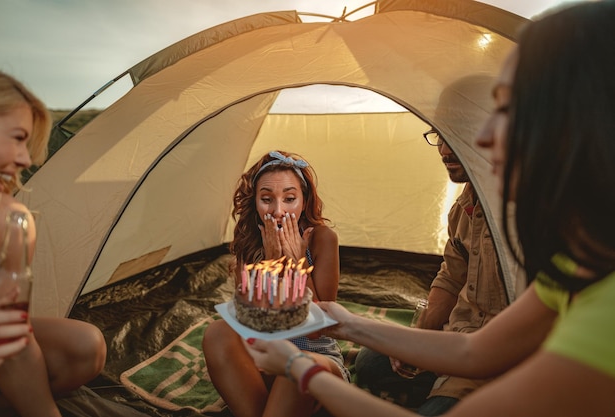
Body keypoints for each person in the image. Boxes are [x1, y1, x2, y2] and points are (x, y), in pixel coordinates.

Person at [243, 2, 615, 416]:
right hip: (471, 341)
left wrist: (299, 368)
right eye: (439, 132)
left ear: (589, 120)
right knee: (369, 363)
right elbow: (475, 347)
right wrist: (346, 322)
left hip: (515, 366)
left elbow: (485, 355)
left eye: (509, 110)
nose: (486, 136)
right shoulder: (578, 257)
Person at [355, 126, 507, 415]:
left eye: (455, 137)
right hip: (454, 339)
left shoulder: (517, 214)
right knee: (370, 362)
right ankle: (436, 384)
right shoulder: (462, 208)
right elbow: (450, 277)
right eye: (438, 135)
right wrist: (419, 337)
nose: (444, 151)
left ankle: (449, 394)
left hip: (492, 358)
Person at [0, 64, 107, 417]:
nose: (26, 159)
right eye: (18, 137)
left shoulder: (8, 222)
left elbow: (11, 337)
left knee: (85, 346)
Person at [202, 150, 349, 417]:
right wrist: (270, 269)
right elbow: (252, 328)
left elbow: (318, 329)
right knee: (218, 332)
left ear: (304, 201)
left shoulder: (322, 239)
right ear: (255, 203)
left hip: (316, 361)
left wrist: (294, 265)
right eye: (267, 199)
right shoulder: (249, 246)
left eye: (290, 199)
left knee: (296, 367)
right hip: (268, 359)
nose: (278, 211)